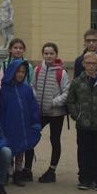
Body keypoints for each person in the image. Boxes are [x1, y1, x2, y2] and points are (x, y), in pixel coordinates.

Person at [67, 52, 97, 191]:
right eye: (88, 63)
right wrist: (77, 116)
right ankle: (85, 178)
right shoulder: (76, 82)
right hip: (83, 124)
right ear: (83, 64)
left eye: (94, 63)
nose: (91, 66)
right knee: (84, 151)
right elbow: (70, 101)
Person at [0, 54, 42, 186]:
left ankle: (18, 173)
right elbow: (0, 109)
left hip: (24, 125)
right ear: (12, 72)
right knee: (9, 149)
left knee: (21, 151)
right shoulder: (4, 90)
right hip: (9, 125)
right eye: (18, 71)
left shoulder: (27, 90)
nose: (20, 74)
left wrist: (35, 122)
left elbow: (33, 107)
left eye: (23, 72)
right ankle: (7, 172)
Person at [31, 42, 71, 183]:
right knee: (31, 137)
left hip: (56, 114)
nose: (48, 56)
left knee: (55, 140)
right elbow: (32, 86)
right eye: (46, 53)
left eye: (51, 53)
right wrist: (36, 99)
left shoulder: (62, 72)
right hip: (40, 112)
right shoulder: (37, 69)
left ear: (56, 55)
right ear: (43, 54)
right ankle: (27, 169)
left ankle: (51, 171)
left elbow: (66, 92)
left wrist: (53, 102)